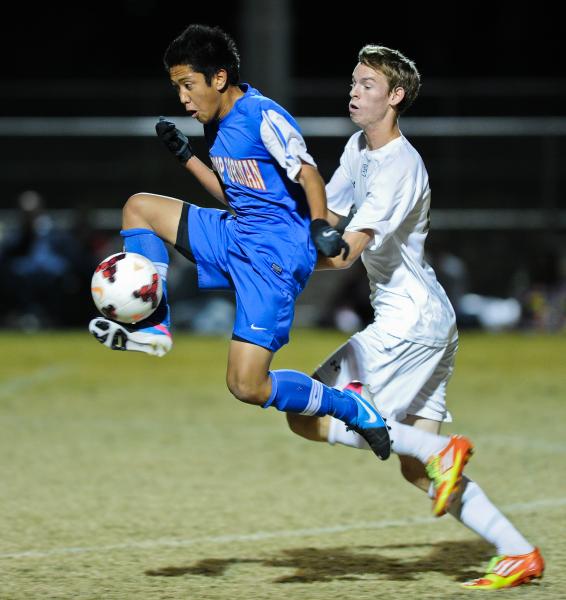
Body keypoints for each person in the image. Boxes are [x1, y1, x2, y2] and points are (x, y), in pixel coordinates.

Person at [285, 44, 544, 590]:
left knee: (304, 411)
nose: (354, 92)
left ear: (395, 96)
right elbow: (325, 214)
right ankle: (518, 552)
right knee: (414, 466)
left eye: (367, 85)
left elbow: (343, 251)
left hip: (409, 324)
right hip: (429, 321)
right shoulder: (361, 147)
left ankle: (440, 448)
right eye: (353, 82)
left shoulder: (401, 165)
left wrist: (278, 264)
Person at [88, 24, 392, 462]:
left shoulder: (262, 115)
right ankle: (153, 324)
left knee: (246, 386)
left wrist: (322, 225)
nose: (183, 99)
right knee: (139, 208)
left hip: (274, 258)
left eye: (188, 85)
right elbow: (233, 193)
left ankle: (350, 405)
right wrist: (187, 158)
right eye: (176, 88)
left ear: (218, 78)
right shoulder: (215, 125)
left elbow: (306, 172)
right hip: (236, 231)